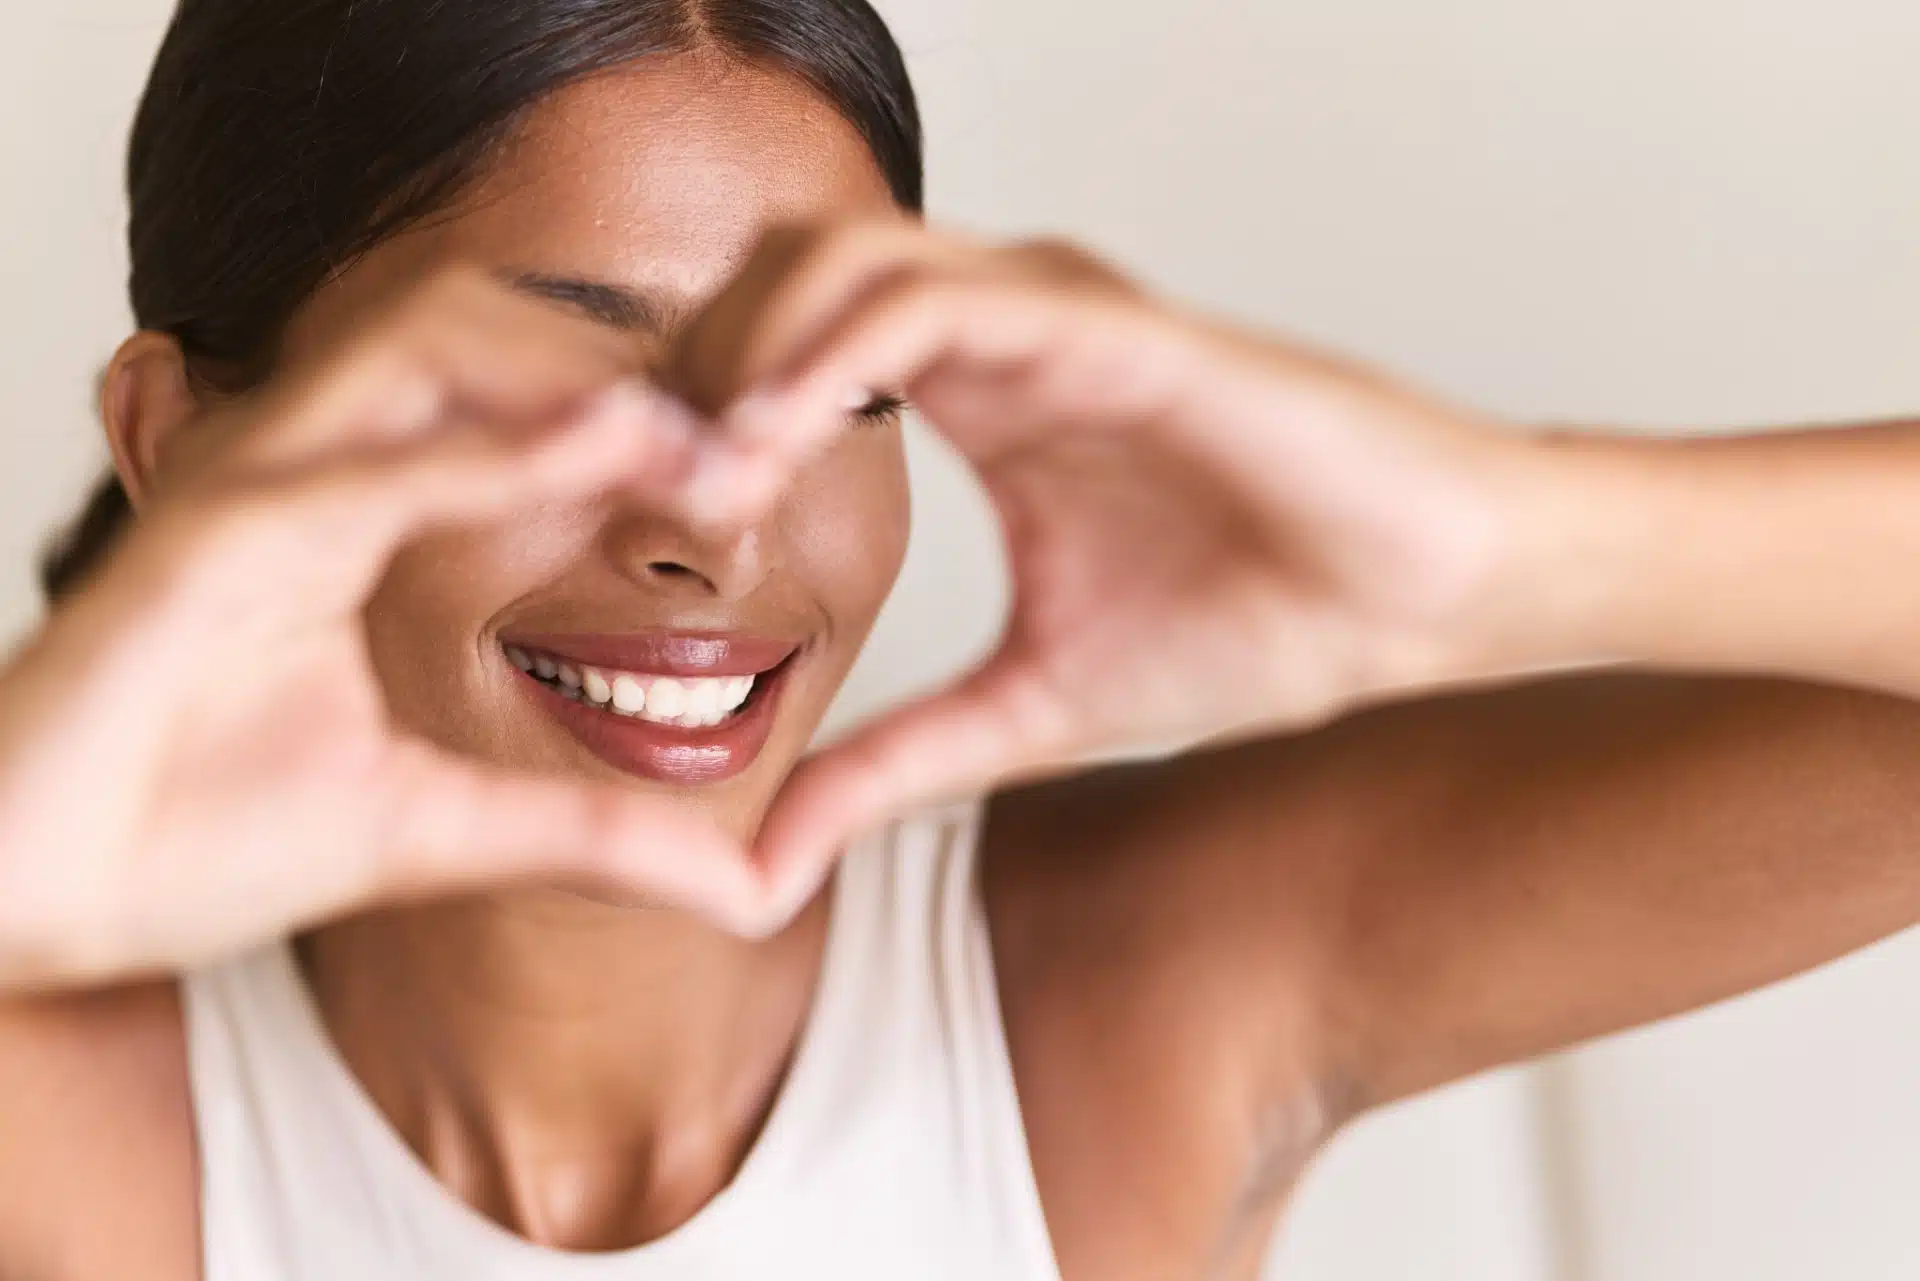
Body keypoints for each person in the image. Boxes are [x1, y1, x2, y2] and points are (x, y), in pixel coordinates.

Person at [2, 1, 1918, 1278]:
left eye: (830, 390)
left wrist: (1498, 544)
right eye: (545, 385)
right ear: (181, 441)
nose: (715, 526)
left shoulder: (1127, 989)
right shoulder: (76, 1108)